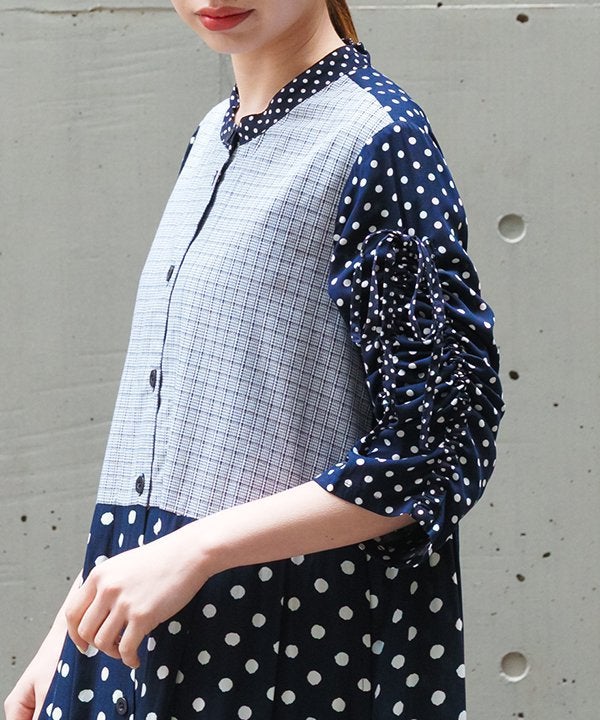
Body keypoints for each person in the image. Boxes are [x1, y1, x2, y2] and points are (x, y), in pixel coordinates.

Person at [5, 1, 504, 718]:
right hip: (138, 640)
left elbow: (440, 444)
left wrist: (194, 552)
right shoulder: (214, 134)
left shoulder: (378, 140)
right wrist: (70, 629)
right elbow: (171, 438)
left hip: (285, 643)